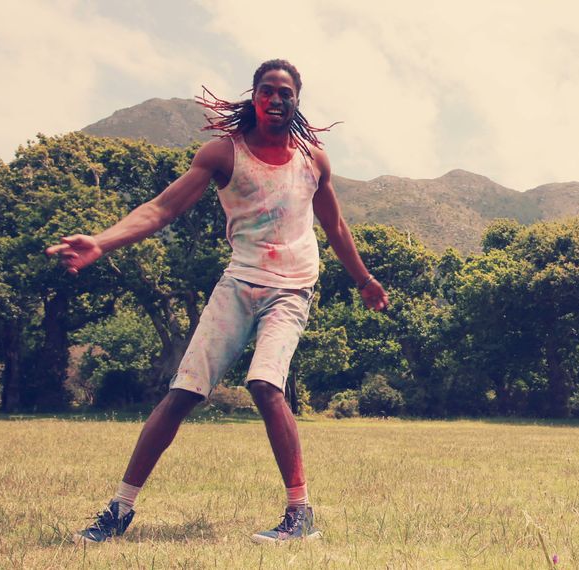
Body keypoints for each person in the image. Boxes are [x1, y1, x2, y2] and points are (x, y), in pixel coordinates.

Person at [47, 59, 388, 544]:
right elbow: (163, 207)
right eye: (267, 91)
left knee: (266, 383)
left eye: (285, 93)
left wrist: (363, 279)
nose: (275, 99)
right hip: (240, 283)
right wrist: (103, 242)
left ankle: (299, 514)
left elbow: (334, 226)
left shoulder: (313, 159)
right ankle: (119, 509)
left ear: (296, 101)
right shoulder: (223, 154)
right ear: (254, 96)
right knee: (182, 392)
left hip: (292, 287)